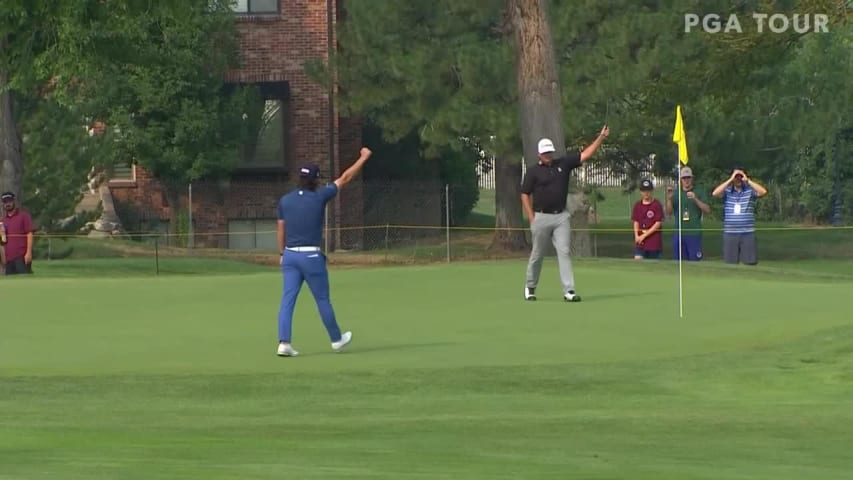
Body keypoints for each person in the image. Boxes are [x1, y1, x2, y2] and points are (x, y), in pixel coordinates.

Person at [274, 147, 372, 357]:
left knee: (287, 300)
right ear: (316, 181)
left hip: (290, 255)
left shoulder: (285, 200)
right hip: (311, 256)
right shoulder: (320, 197)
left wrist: (282, 253)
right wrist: (363, 158)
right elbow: (345, 178)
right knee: (322, 300)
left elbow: (281, 228)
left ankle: (284, 343)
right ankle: (336, 339)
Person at [521, 125, 609, 302]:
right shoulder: (533, 172)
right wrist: (531, 217)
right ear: (539, 155)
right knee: (537, 253)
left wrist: (601, 138)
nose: (548, 156)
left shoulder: (564, 163)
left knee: (564, 252)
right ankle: (530, 287)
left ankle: (569, 291)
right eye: (545, 153)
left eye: (550, 152)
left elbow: (585, 155)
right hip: (541, 217)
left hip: (561, 217)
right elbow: (524, 194)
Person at [712, 167, 768, 265]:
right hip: (730, 233)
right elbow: (715, 193)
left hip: (747, 233)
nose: (738, 179)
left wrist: (748, 180)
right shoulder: (727, 191)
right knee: (730, 263)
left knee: (750, 263)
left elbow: (763, 192)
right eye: (736, 177)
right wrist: (730, 179)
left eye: (740, 177)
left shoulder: (749, 191)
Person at [666, 166, 711, 261]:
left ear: (692, 178)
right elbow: (668, 213)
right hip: (679, 233)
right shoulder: (677, 193)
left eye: (688, 178)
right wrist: (669, 199)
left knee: (695, 262)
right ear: (681, 179)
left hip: (693, 233)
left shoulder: (699, 191)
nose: (686, 180)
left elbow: (707, 210)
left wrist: (695, 199)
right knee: (680, 263)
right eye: (684, 178)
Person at [1, 192, 34, 275]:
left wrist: (28, 253)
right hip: (8, 259)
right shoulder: (3, 221)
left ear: (14, 201)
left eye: (9, 201)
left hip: (22, 257)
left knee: (25, 282)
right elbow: (2, 242)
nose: (7, 204)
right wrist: (2, 258)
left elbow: (29, 234)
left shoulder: (24, 216)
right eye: (5, 202)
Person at [631, 179, 664, 260]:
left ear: (652, 191)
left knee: (654, 267)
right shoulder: (637, 205)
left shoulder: (656, 204)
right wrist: (636, 236)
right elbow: (636, 221)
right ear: (640, 192)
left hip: (654, 243)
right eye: (644, 191)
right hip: (640, 243)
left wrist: (644, 236)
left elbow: (657, 223)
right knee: (638, 261)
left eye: (648, 190)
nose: (646, 193)